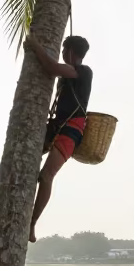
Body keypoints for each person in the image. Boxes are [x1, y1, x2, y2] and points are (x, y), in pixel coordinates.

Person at [23, 33, 92, 243]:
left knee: (46, 176)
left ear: (71, 52)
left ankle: (32, 223)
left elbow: (52, 68)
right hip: (55, 126)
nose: (62, 54)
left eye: (64, 50)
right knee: (26, 155)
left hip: (71, 130)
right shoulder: (68, 75)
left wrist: (36, 45)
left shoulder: (83, 71)